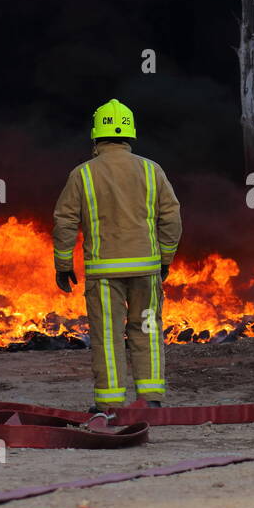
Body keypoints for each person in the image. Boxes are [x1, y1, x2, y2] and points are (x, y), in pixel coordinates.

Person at [52, 99, 182, 410]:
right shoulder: (152, 171)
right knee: (147, 330)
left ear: (95, 137)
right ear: (130, 136)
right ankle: (151, 399)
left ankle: (110, 404)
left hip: (104, 273)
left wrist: (63, 264)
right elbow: (172, 217)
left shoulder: (82, 175)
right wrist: (165, 260)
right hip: (146, 273)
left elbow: (65, 220)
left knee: (108, 338)